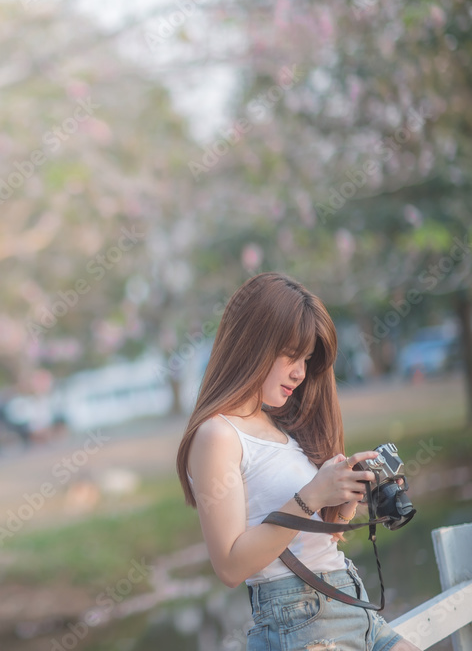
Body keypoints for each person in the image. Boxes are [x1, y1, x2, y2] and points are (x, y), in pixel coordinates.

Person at [175, 272, 418, 651]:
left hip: (353, 605)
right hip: (301, 624)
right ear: (252, 341)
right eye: (291, 354)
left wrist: (346, 494)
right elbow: (230, 566)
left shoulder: (280, 429)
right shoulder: (218, 435)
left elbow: (322, 537)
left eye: (306, 359)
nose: (300, 372)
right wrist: (312, 495)